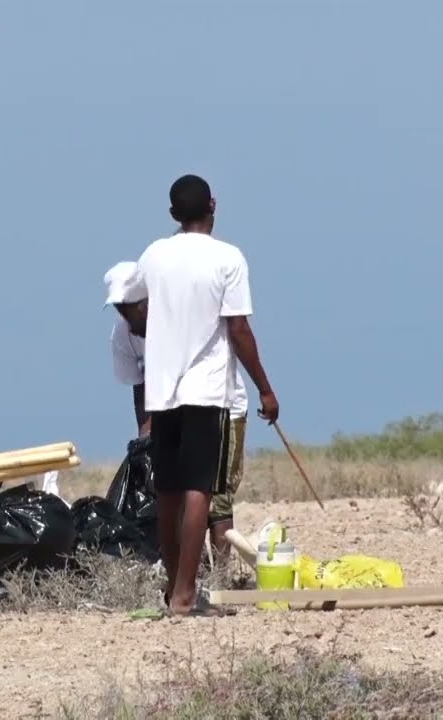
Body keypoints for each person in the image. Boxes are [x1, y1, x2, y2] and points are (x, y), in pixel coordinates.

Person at [135, 173, 280, 617]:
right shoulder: (228, 258)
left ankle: (171, 584)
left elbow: (140, 311)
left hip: (162, 392)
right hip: (206, 389)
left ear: (173, 214)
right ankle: (184, 595)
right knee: (199, 488)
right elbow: (237, 328)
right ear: (213, 206)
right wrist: (266, 388)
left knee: (168, 491)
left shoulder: (154, 255)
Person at [103, 260, 249, 571]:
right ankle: (188, 574)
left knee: (215, 496)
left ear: (146, 302)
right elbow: (140, 385)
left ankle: (219, 576)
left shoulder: (178, 321)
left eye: (129, 307)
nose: (124, 316)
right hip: (176, 412)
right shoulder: (123, 336)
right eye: (118, 308)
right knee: (177, 495)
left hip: (221, 404)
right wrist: (145, 438)